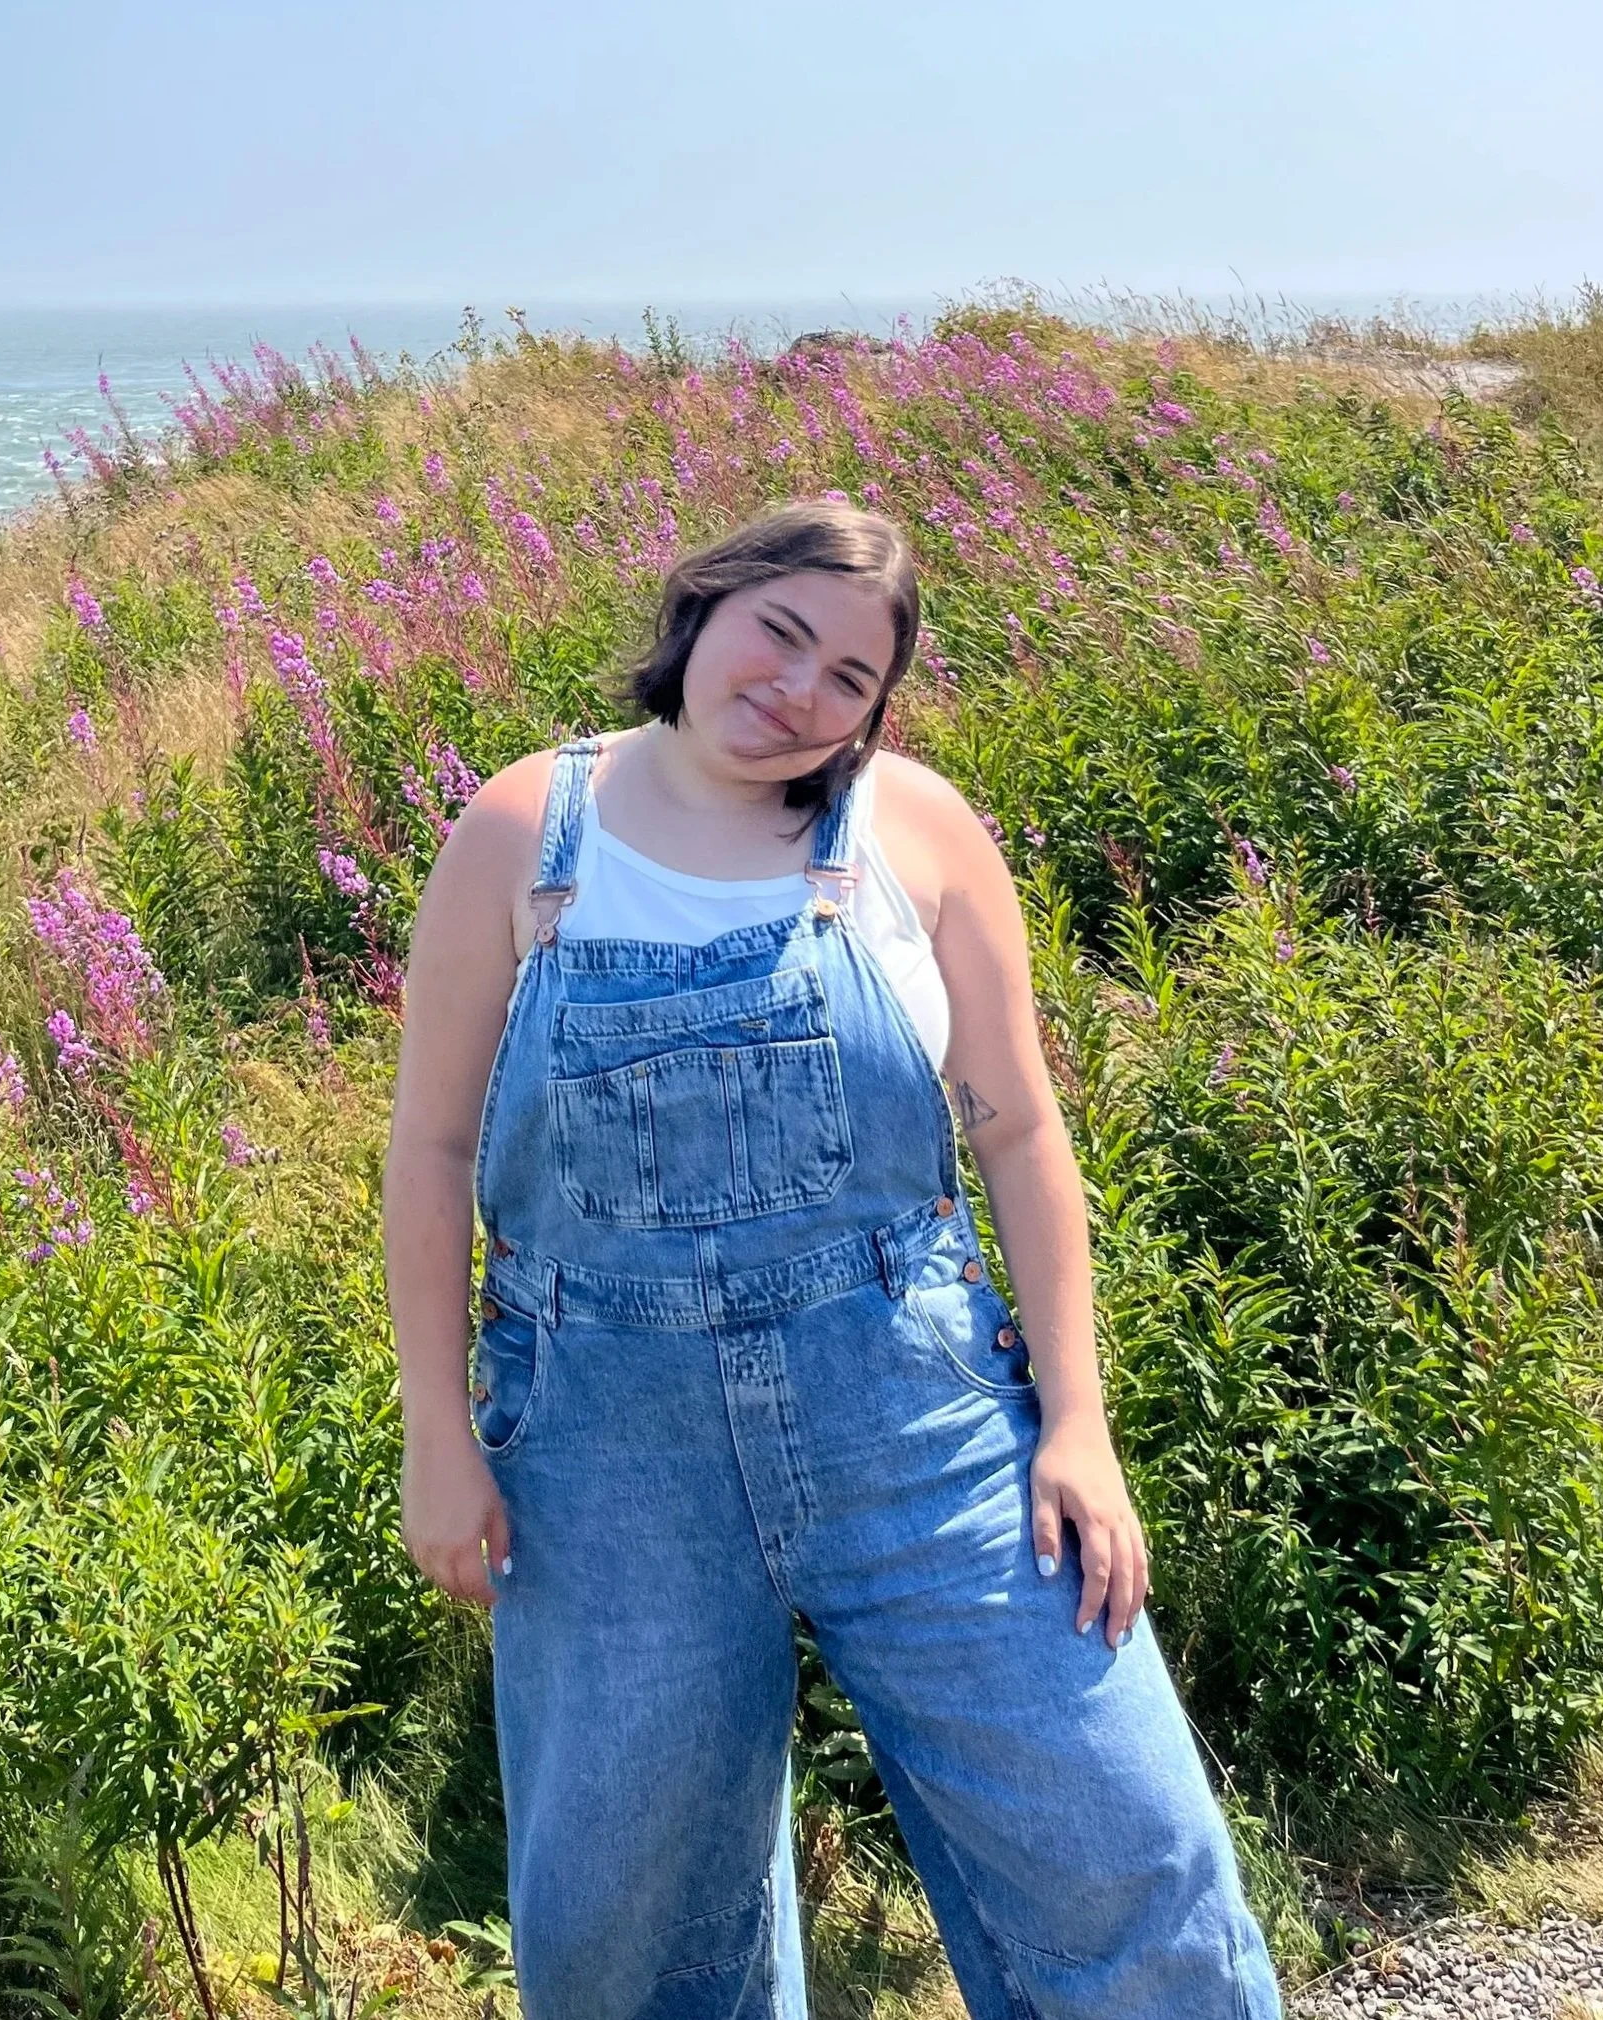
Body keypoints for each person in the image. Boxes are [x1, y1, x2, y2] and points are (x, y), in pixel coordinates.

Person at [383, 499, 1283, 2019]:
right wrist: (434, 1429)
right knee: (630, 1936)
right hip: (605, 1450)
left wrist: (1077, 1423)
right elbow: (431, 1154)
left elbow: (1016, 1134)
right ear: (702, 611)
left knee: (1122, 1841)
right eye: (778, 632)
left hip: (916, 1417)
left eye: (848, 677)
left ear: (876, 709)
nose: (798, 688)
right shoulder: (526, 828)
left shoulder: (915, 833)